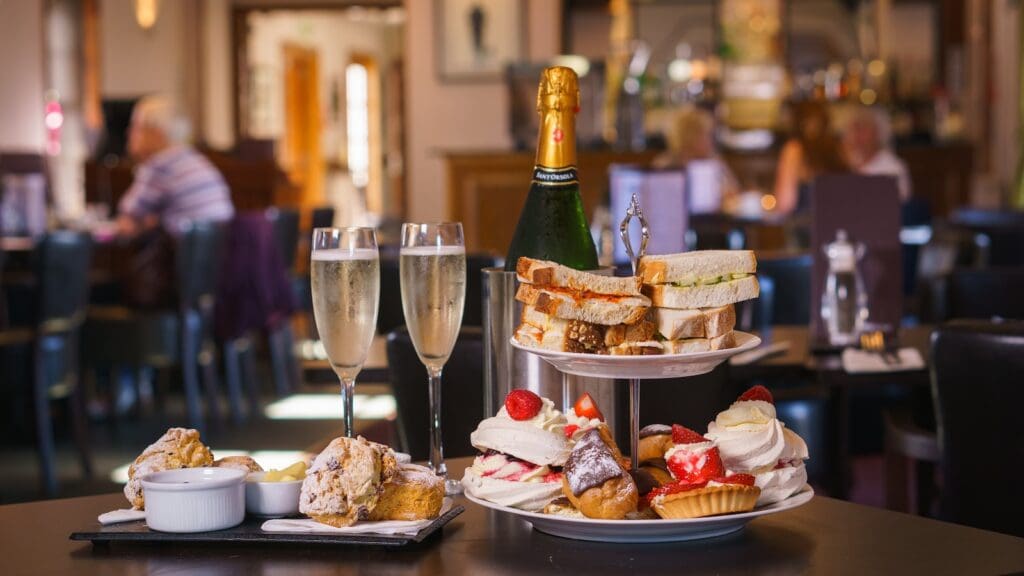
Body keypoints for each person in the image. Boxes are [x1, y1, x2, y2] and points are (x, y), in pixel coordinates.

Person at [117, 95, 234, 238]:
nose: (128, 133)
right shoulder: (193, 158)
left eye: (137, 127)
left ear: (156, 133)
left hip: (183, 252)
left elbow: (128, 217)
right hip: (214, 252)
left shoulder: (160, 165)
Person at [654, 105, 739, 210]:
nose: (711, 141)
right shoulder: (667, 165)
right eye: (706, 135)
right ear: (690, 136)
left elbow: (733, 194)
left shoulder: (715, 162)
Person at [773, 101, 847, 215]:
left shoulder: (794, 150)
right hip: (840, 225)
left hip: (807, 227)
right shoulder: (839, 149)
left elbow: (785, 203)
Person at [842, 106, 912, 202]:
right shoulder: (844, 165)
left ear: (879, 133)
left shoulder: (892, 167)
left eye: (862, 129)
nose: (855, 136)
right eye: (852, 129)